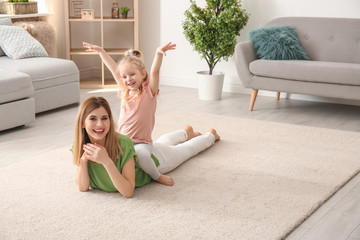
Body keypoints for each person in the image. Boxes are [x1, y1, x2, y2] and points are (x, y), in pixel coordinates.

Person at [72, 96, 220, 197]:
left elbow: (128, 192)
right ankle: (186, 132)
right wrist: (84, 161)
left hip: (156, 162)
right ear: (82, 123)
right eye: (93, 119)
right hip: (146, 150)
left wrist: (106, 161)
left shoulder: (123, 143)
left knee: (186, 151)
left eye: (105, 118)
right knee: (162, 143)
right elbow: (83, 187)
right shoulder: (81, 144)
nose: (100, 124)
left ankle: (211, 135)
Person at [83, 41, 176, 186]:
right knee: (101, 151)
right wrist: (101, 51)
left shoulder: (149, 91)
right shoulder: (125, 91)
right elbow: (114, 69)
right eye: (124, 77)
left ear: (142, 74)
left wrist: (158, 53)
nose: (128, 79)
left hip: (141, 143)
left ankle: (157, 176)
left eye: (132, 75)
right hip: (121, 140)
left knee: (142, 158)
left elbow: (155, 72)